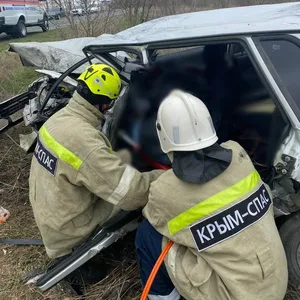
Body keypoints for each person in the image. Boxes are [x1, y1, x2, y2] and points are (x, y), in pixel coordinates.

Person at [135, 90, 288, 300]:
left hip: (236, 295)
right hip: (275, 283)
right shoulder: (238, 154)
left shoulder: (165, 190)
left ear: (163, 135)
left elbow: (156, 217)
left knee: (147, 235)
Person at [29, 63, 163, 263]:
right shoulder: (83, 141)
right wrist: (163, 177)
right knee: (133, 195)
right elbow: (132, 194)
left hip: (54, 217)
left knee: (124, 161)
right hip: (71, 234)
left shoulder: (58, 120)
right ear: (105, 104)